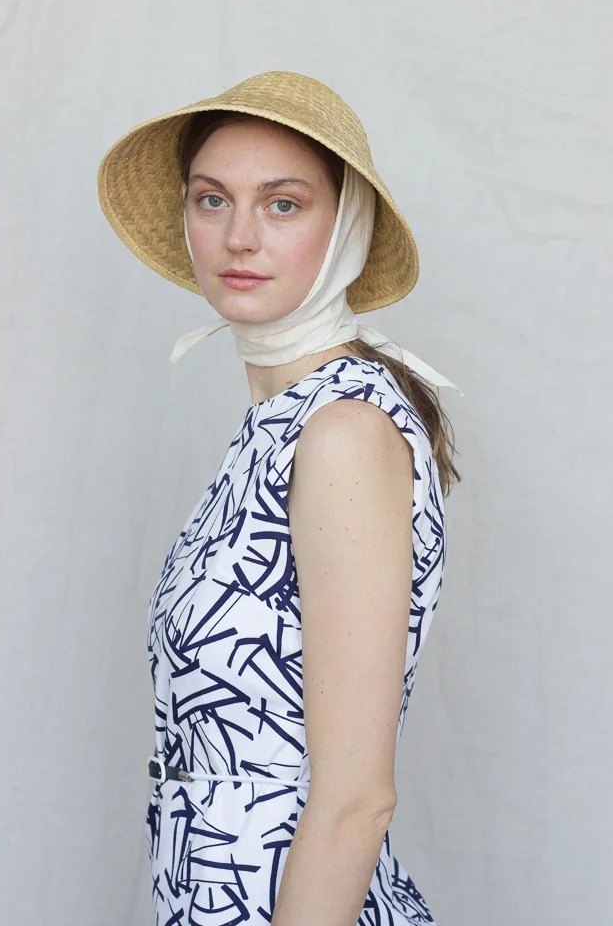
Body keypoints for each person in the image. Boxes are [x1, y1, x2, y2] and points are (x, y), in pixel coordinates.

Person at [97, 70, 462, 926]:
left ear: (347, 228)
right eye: (212, 199)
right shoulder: (276, 431)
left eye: (284, 204)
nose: (239, 237)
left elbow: (354, 799)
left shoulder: (341, 431)